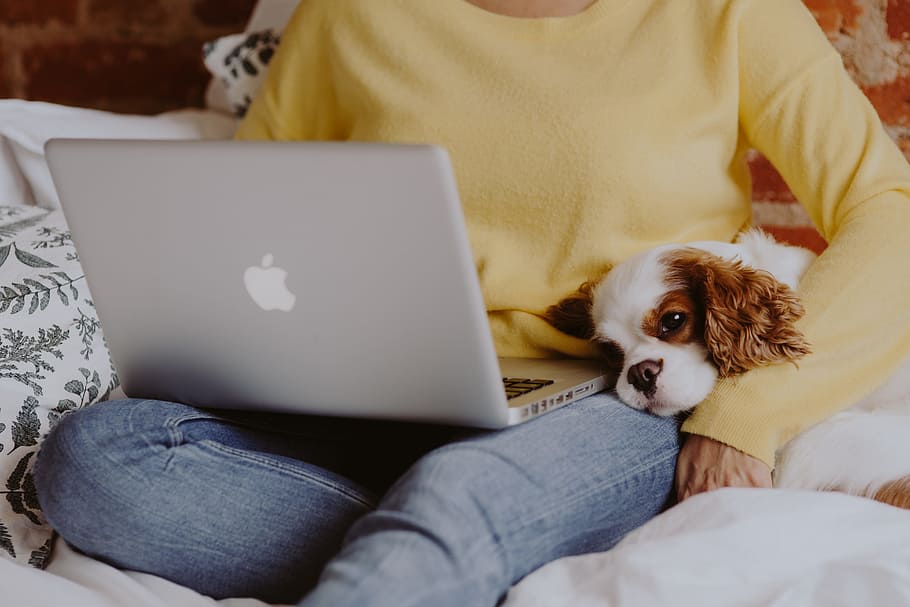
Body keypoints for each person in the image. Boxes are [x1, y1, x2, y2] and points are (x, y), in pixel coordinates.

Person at [32, 0, 910, 605]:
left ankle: (456, 525)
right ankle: (459, 541)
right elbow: (260, 209)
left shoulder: (726, 12)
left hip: (606, 401)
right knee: (93, 460)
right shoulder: (349, 13)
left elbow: (888, 213)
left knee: (460, 487)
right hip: (386, 381)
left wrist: (747, 413)